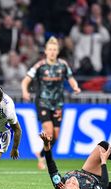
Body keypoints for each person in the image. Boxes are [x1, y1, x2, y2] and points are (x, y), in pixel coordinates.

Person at [21, 36, 81, 170]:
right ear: (46, 51)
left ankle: (41, 155)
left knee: (55, 136)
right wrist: (25, 91)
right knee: (48, 133)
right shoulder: (40, 65)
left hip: (58, 103)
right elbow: (25, 80)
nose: (52, 52)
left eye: (55, 49)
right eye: (50, 49)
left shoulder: (63, 65)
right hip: (43, 102)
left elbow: (71, 78)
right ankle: (45, 160)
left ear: (58, 51)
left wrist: (75, 87)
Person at [40, 132, 111, 189]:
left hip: (87, 171)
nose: (72, 180)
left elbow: (51, 168)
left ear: (64, 187)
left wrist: (46, 145)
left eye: (68, 182)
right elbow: (104, 184)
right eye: (74, 184)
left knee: (103, 146)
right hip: (97, 180)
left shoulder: (60, 185)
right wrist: (103, 161)